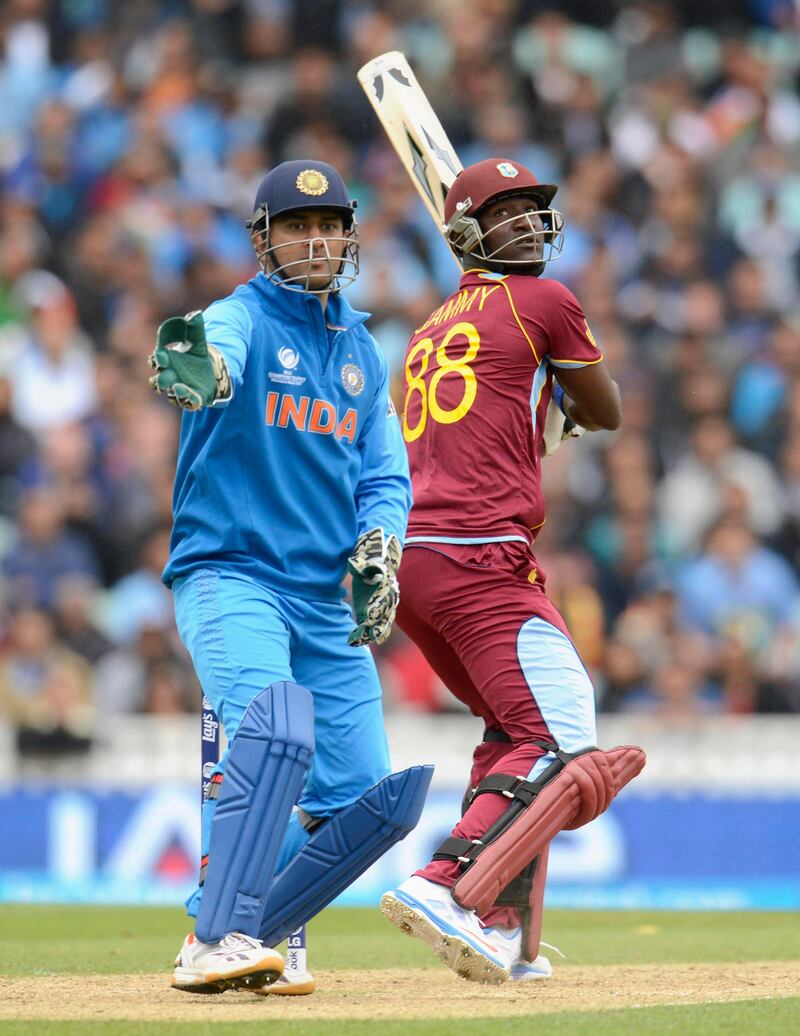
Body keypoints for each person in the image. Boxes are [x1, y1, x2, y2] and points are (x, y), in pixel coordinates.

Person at [148, 159, 432, 995]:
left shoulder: (360, 350)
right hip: (232, 575)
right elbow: (214, 355)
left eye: (329, 226)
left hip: (322, 602)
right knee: (276, 733)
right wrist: (207, 368)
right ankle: (217, 937)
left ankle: (251, 925)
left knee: (370, 803)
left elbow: (384, 475)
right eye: (296, 227)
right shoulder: (238, 318)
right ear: (263, 240)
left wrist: (382, 544)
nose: (315, 240)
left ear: (348, 236)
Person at [381, 158, 644, 984]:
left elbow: (495, 420)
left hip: (417, 562)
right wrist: (561, 419)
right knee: (560, 731)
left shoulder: (427, 327)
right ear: (468, 232)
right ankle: (447, 882)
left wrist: (540, 427)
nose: (529, 224)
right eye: (507, 214)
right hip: (481, 554)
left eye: (534, 210)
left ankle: (499, 927)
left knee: (508, 732)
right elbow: (606, 411)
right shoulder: (545, 302)